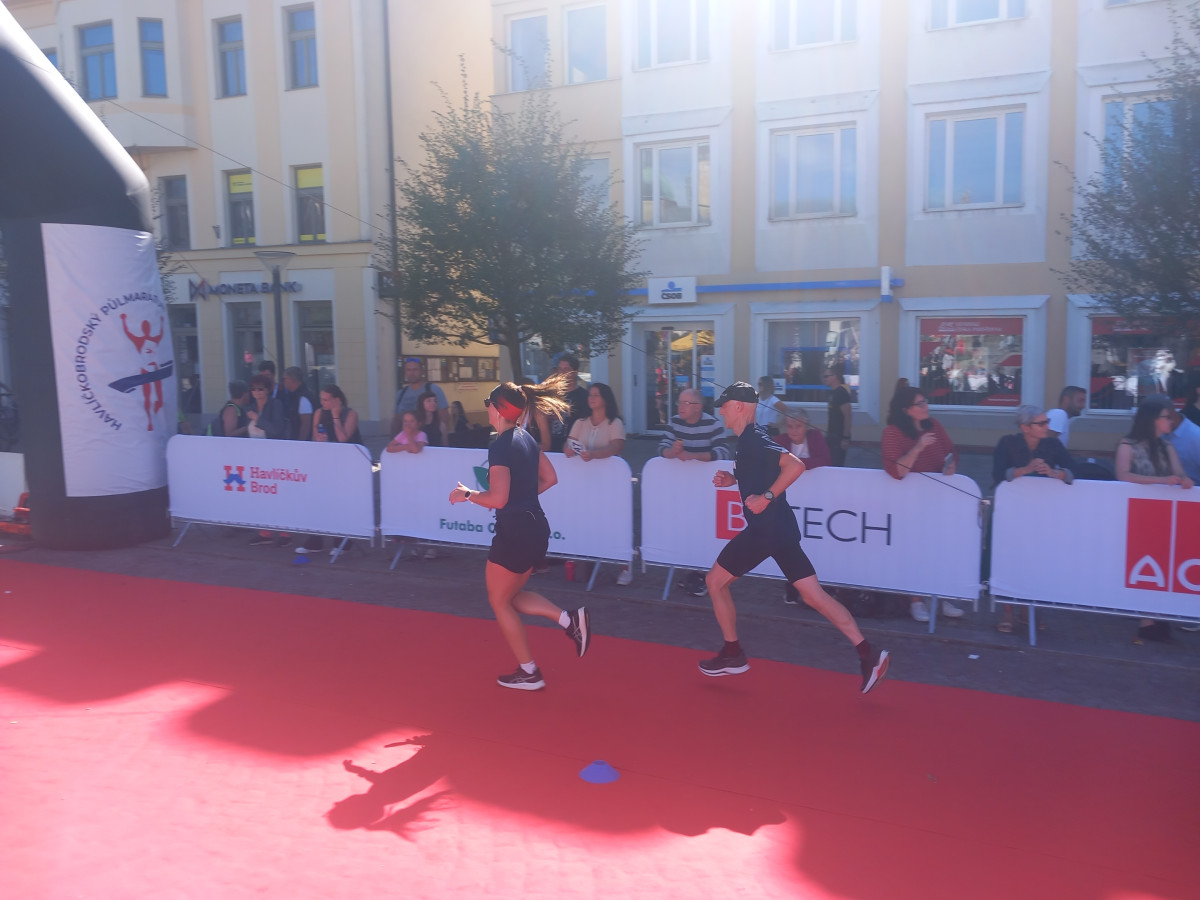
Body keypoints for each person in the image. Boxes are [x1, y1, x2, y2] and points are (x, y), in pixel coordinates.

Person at [700, 382, 890, 695]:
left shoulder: (754, 438)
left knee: (714, 582)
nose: (720, 411)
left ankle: (733, 653)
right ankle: (869, 654)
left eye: (724, 405)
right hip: (780, 530)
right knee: (814, 596)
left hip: (765, 531)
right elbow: (759, 472)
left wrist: (766, 498)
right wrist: (732, 480)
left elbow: (795, 465)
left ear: (739, 406)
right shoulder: (750, 439)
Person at [446, 377, 590, 691]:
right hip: (535, 528)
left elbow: (498, 499)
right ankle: (569, 621)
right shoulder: (527, 438)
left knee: (499, 602)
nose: (486, 408)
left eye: (488, 403)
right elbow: (550, 479)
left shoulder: (501, 445)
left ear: (499, 410)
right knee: (508, 596)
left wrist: (468, 494)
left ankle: (530, 672)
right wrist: (519, 499)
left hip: (515, 532)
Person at [881, 384, 963, 622]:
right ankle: (916, 600)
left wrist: (951, 465)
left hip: (937, 500)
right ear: (906, 409)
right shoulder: (892, 432)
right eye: (920, 403)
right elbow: (895, 471)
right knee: (914, 551)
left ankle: (941, 596)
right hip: (908, 503)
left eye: (925, 401)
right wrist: (918, 447)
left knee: (939, 549)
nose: (926, 406)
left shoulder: (934, 425)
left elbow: (952, 452)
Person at [1116, 395, 1195, 642]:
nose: (1170, 421)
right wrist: (1161, 481)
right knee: (1142, 562)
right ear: (1152, 420)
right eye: (1165, 417)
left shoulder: (1167, 447)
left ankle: (1158, 616)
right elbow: (1123, 475)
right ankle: (1146, 619)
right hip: (1136, 513)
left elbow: (1179, 472)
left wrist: (1185, 480)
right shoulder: (1127, 445)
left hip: (1164, 515)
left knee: (1162, 562)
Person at [991, 405, 1075, 633]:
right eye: (1042, 423)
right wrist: (1025, 469)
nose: (1048, 427)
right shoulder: (1007, 443)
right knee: (1009, 557)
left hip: (1040, 512)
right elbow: (998, 474)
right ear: (1025, 427)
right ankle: (1008, 610)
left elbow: (1074, 470)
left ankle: (1029, 606)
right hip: (1011, 511)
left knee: (1036, 557)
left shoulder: (1052, 444)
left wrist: (1055, 473)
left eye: (1047, 422)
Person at [658, 388, 731, 596]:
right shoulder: (674, 422)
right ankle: (692, 571)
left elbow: (723, 452)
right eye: (679, 402)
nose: (680, 407)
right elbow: (661, 448)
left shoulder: (713, 424)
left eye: (686, 403)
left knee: (706, 529)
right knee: (686, 527)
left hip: (707, 489)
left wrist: (693, 456)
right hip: (681, 489)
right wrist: (672, 452)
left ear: (698, 407)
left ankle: (705, 575)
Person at [565, 382, 632, 585]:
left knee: (616, 523)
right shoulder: (581, 422)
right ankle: (585, 557)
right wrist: (569, 449)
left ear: (605, 399)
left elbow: (616, 447)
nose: (591, 398)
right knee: (586, 520)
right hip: (584, 483)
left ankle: (625, 567)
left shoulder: (615, 423)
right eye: (590, 395)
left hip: (610, 483)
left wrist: (593, 455)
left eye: (596, 395)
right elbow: (569, 443)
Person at [246, 374, 290, 547]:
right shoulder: (250, 407)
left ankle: (285, 532)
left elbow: (277, 429)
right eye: (253, 389)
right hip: (256, 457)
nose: (257, 392)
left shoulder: (275, 404)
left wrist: (258, 419)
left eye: (260, 389)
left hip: (275, 455)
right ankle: (265, 532)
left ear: (268, 390)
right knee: (261, 494)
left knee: (280, 494)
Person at [390, 358, 448, 438]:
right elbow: (397, 420)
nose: (412, 373)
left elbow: (444, 417)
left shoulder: (433, 390)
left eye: (415, 369)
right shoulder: (401, 394)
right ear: (405, 372)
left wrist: (442, 439)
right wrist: (393, 440)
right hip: (406, 441)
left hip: (430, 440)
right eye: (409, 370)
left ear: (422, 371)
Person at [547, 355, 590, 452]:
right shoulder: (551, 394)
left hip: (572, 449)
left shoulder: (584, 396)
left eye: (566, 369)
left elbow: (586, 424)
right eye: (560, 369)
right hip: (551, 447)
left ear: (575, 372)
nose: (562, 373)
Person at [822, 368, 853, 466]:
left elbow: (848, 416)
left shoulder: (841, 392)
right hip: (831, 435)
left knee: (837, 464)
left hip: (839, 437)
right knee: (829, 463)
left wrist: (845, 438)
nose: (824, 379)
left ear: (835, 376)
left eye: (826, 376)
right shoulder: (831, 393)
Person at [1045, 386, 1086, 450]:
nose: (1083, 406)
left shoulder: (1060, 416)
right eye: (1080, 401)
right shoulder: (1059, 414)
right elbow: (1046, 445)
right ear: (1066, 399)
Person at [281, 366, 314, 441]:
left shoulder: (303, 398)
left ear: (291, 379)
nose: (283, 382)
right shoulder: (295, 395)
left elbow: (305, 426)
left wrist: (300, 444)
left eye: (284, 379)